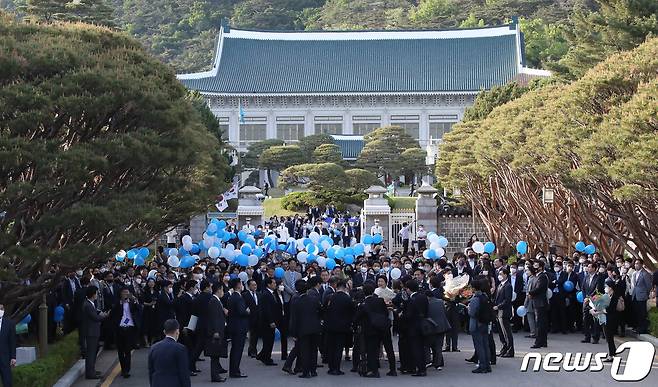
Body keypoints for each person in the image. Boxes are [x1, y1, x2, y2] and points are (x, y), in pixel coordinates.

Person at [290, 280, 322, 378]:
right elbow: (320, 311)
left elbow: (294, 318)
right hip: (315, 328)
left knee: (305, 351)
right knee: (313, 350)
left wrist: (293, 333)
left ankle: (306, 372)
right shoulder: (314, 299)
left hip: (302, 329)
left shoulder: (296, 301)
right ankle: (313, 370)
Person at [148, 319, 191, 387]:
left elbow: (151, 371)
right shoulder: (180, 349)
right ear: (177, 331)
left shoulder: (154, 347)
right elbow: (184, 373)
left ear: (164, 332)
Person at [324, 279, 355, 375]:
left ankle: (331, 367)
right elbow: (351, 313)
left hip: (330, 326)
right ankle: (336, 368)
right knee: (338, 348)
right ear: (345, 288)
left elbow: (325, 310)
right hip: (342, 326)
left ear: (336, 287)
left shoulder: (330, 297)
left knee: (331, 347)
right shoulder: (347, 299)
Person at [111, 287, 140, 378]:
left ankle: (126, 370)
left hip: (129, 327)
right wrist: (120, 302)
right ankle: (123, 368)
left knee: (127, 350)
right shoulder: (117, 303)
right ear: (121, 294)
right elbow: (113, 313)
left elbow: (138, 309)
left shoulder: (132, 303)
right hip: (120, 328)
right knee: (120, 350)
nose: (126, 295)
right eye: (124, 293)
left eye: (127, 293)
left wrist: (135, 300)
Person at [80, 286, 109, 379]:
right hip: (91, 332)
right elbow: (95, 318)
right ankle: (90, 373)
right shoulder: (87, 305)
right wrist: (105, 316)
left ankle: (92, 370)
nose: (97, 295)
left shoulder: (90, 303)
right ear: (93, 294)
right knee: (91, 353)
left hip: (93, 331)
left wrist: (100, 313)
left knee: (93, 352)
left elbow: (95, 312)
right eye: (96, 293)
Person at [403, 279, 429, 377]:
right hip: (423, 325)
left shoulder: (412, 300)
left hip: (413, 327)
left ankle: (420, 369)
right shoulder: (423, 297)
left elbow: (409, 315)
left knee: (416, 348)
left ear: (409, 289)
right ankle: (423, 367)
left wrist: (402, 315)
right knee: (422, 347)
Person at [468, 277, 492, 374]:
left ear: (474, 288)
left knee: (479, 346)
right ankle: (487, 365)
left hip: (476, 324)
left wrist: (468, 308)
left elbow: (472, 313)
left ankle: (482, 365)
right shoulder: (484, 296)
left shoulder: (475, 299)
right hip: (485, 323)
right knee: (485, 345)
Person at [227, 278, 249, 378]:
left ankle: (234, 369)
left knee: (235, 349)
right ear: (238, 285)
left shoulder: (232, 297)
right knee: (237, 349)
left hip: (233, 325)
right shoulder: (238, 298)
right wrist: (247, 311)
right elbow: (241, 312)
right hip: (239, 326)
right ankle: (235, 371)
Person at [206, 283, 227, 383]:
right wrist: (216, 331)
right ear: (218, 290)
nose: (223, 292)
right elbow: (214, 318)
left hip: (219, 330)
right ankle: (215, 376)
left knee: (216, 354)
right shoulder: (214, 301)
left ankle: (216, 373)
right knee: (214, 355)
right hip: (216, 332)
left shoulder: (217, 301)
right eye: (222, 289)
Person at [257, 277, 280, 366]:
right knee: (268, 341)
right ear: (269, 284)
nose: (275, 284)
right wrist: (271, 321)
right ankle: (266, 358)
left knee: (270, 340)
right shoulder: (266, 294)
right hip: (267, 322)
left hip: (272, 320)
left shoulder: (272, 293)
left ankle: (262, 355)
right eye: (273, 283)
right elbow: (266, 310)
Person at [494, 268, 514, 357]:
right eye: (499, 274)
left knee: (506, 332)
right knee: (501, 333)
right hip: (498, 312)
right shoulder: (499, 285)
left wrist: (498, 306)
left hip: (504, 311)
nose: (499, 275)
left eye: (501, 274)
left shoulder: (508, 286)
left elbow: (507, 300)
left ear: (506, 275)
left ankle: (510, 350)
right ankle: (504, 348)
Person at [528, 261, 549, 349]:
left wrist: (530, 293)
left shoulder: (542, 276)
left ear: (540, 267)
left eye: (536, 265)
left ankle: (539, 342)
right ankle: (543, 341)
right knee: (541, 323)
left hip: (541, 303)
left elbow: (539, 288)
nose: (534, 267)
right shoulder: (537, 276)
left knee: (540, 323)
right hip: (537, 302)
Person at [630, 259, 653, 334]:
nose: (636, 265)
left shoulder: (645, 274)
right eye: (635, 263)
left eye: (637, 263)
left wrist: (645, 294)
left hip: (642, 296)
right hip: (635, 295)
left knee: (642, 313)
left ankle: (643, 329)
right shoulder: (634, 273)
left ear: (641, 264)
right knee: (637, 312)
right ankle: (638, 327)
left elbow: (648, 286)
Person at [243, 279, 261, 358]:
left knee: (256, 335)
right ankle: (252, 350)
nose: (255, 286)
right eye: (253, 285)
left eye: (255, 285)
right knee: (252, 334)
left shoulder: (258, 294)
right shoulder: (245, 295)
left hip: (258, 317)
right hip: (250, 317)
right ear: (249, 286)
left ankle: (252, 350)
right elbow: (243, 305)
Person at [0, 304, 17, 387]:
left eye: (1, 308)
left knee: (7, 382)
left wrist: (13, 357)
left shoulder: (9, 323)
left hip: (5, 358)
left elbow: (12, 341)